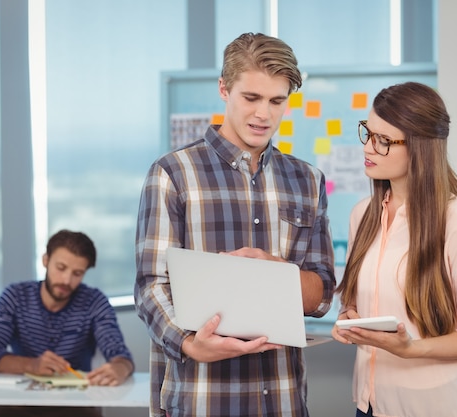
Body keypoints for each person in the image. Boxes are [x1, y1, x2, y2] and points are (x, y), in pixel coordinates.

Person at [134, 32, 336, 417]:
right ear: (224, 89)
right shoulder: (173, 174)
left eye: (277, 101)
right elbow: (150, 286)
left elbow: (322, 293)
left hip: (282, 400)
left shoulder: (308, 181)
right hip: (202, 400)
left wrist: (276, 271)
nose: (264, 114)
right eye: (252, 98)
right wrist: (190, 343)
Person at [332, 82, 457, 417]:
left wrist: (411, 349)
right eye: (368, 132)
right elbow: (353, 304)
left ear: (420, 148)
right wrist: (349, 321)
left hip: (439, 407)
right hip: (371, 404)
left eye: (384, 141)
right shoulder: (362, 215)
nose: (367, 148)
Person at [0, 229, 134, 417]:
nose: (67, 280)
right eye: (61, 268)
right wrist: (32, 365)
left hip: (75, 407)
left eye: (77, 273)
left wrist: (120, 368)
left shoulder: (94, 302)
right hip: (19, 405)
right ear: (45, 260)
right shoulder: (15, 296)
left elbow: (120, 355)